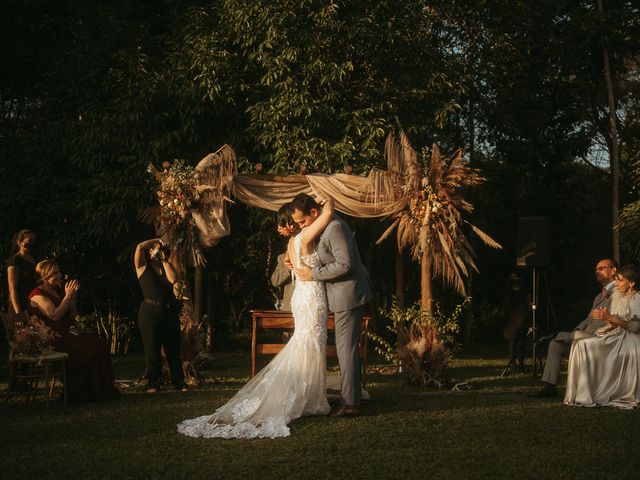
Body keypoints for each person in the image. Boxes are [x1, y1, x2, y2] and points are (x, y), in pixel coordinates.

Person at [177, 198, 335, 439]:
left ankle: (311, 396)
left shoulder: (292, 243)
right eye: (299, 220)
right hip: (311, 297)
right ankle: (307, 399)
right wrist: (326, 200)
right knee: (309, 344)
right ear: (295, 222)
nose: (303, 223)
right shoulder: (303, 237)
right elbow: (329, 212)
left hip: (304, 297)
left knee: (307, 343)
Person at [292, 193, 373, 417]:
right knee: (344, 349)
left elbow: (345, 263)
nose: (301, 226)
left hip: (349, 295)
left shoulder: (335, 227)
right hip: (340, 296)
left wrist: (313, 274)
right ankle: (350, 398)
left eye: (303, 221)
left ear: (314, 212)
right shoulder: (324, 227)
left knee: (346, 350)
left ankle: (350, 404)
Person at [28, 260, 119, 404]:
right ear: (44, 275)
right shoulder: (38, 294)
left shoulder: (58, 290)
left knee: (97, 343)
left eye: (59, 272)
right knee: (82, 347)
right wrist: (67, 297)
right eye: (55, 273)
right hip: (54, 335)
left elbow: (72, 316)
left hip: (69, 330)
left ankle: (97, 389)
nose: (59, 275)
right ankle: (79, 391)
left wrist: (72, 300)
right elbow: (55, 316)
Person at [531, 258, 617, 398]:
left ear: (613, 270)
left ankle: (557, 335)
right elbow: (588, 318)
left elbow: (617, 319)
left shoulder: (619, 292)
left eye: (601, 268)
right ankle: (549, 386)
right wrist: (578, 329)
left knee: (569, 337)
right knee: (556, 345)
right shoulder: (598, 296)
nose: (597, 271)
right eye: (596, 269)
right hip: (586, 334)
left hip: (602, 337)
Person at [564, 263, 640, 408]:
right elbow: (616, 323)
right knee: (579, 344)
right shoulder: (622, 298)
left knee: (585, 345)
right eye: (616, 280)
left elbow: (635, 327)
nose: (616, 283)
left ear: (631, 283)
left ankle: (589, 393)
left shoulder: (637, 299)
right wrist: (606, 318)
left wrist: (610, 317)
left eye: (620, 280)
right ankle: (581, 393)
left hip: (629, 341)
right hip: (616, 335)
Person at [134, 238, 188, 393]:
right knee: (152, 348)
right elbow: (139, 246)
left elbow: (173, 279)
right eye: (154, 249)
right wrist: (156, 241)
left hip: (169, 312)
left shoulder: (166, 266)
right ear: (149, 251)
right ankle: (153, 383)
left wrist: (164, 259)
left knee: (173, 348)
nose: (157, 250)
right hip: (149, 312)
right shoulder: (142, 267)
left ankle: (179, 382)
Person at [7, 229, 38, 318]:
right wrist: (18, 313)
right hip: (20, 305)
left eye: (33, 241)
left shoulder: (35, 259)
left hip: (34, 303)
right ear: (19, 242)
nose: (31, 244)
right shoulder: (15, 260)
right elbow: (12, 288)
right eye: (29, 241)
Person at [503, 272, 527, 373]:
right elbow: (506, 306)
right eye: (513, 277)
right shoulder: (508, 293)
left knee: (521, 343)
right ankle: (513, 364)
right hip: (511, 321)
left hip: (521, 319)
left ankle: (521, 364)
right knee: (512, 342)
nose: (515, 279)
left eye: (517, 277)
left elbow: (527, 305)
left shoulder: (523, 292)